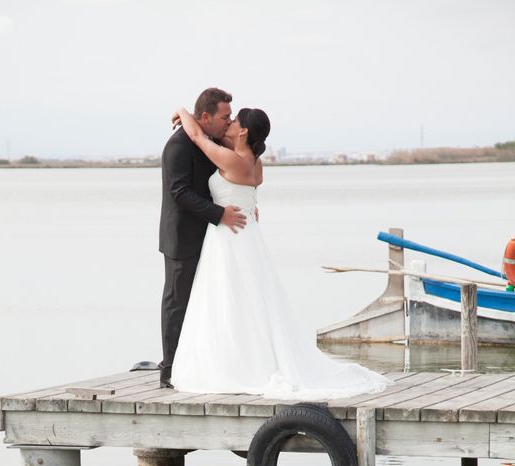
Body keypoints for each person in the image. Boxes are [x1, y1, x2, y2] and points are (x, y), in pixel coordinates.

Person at [168, 106, 391, 399]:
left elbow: (197, 136)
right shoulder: (254, 163)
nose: (230, 123)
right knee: (249, 301)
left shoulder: (232, 160)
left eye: (234, 120)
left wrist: (184, 112)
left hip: (229, 236)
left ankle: (235, 365)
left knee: (228, 299)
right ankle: (247, 359)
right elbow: (239, 181)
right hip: (247, 235)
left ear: (244, 130)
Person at [158, 88, 247, 388]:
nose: (229, 121)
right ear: (206, 117)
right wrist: (220, 214)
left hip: (211, 237)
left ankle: (200, 362)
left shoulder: (208, 139)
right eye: (225, 116)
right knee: (177, 302)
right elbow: (180, 192)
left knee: (206, 302)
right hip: (182, 237)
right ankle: (169, 369)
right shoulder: (178, 146)